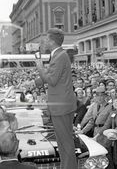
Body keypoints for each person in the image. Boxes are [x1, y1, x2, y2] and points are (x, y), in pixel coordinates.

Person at [34, 28, 78, 169]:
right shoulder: (58, 55)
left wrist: (40, 66)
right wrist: (34, 82)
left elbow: (52, 80)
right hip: (61, 106)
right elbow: (52, 77)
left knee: (65, 143)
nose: (44, 42)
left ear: (52, 41)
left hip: (61, 107)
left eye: (46, 39)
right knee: (63, 142)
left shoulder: (60, 56)